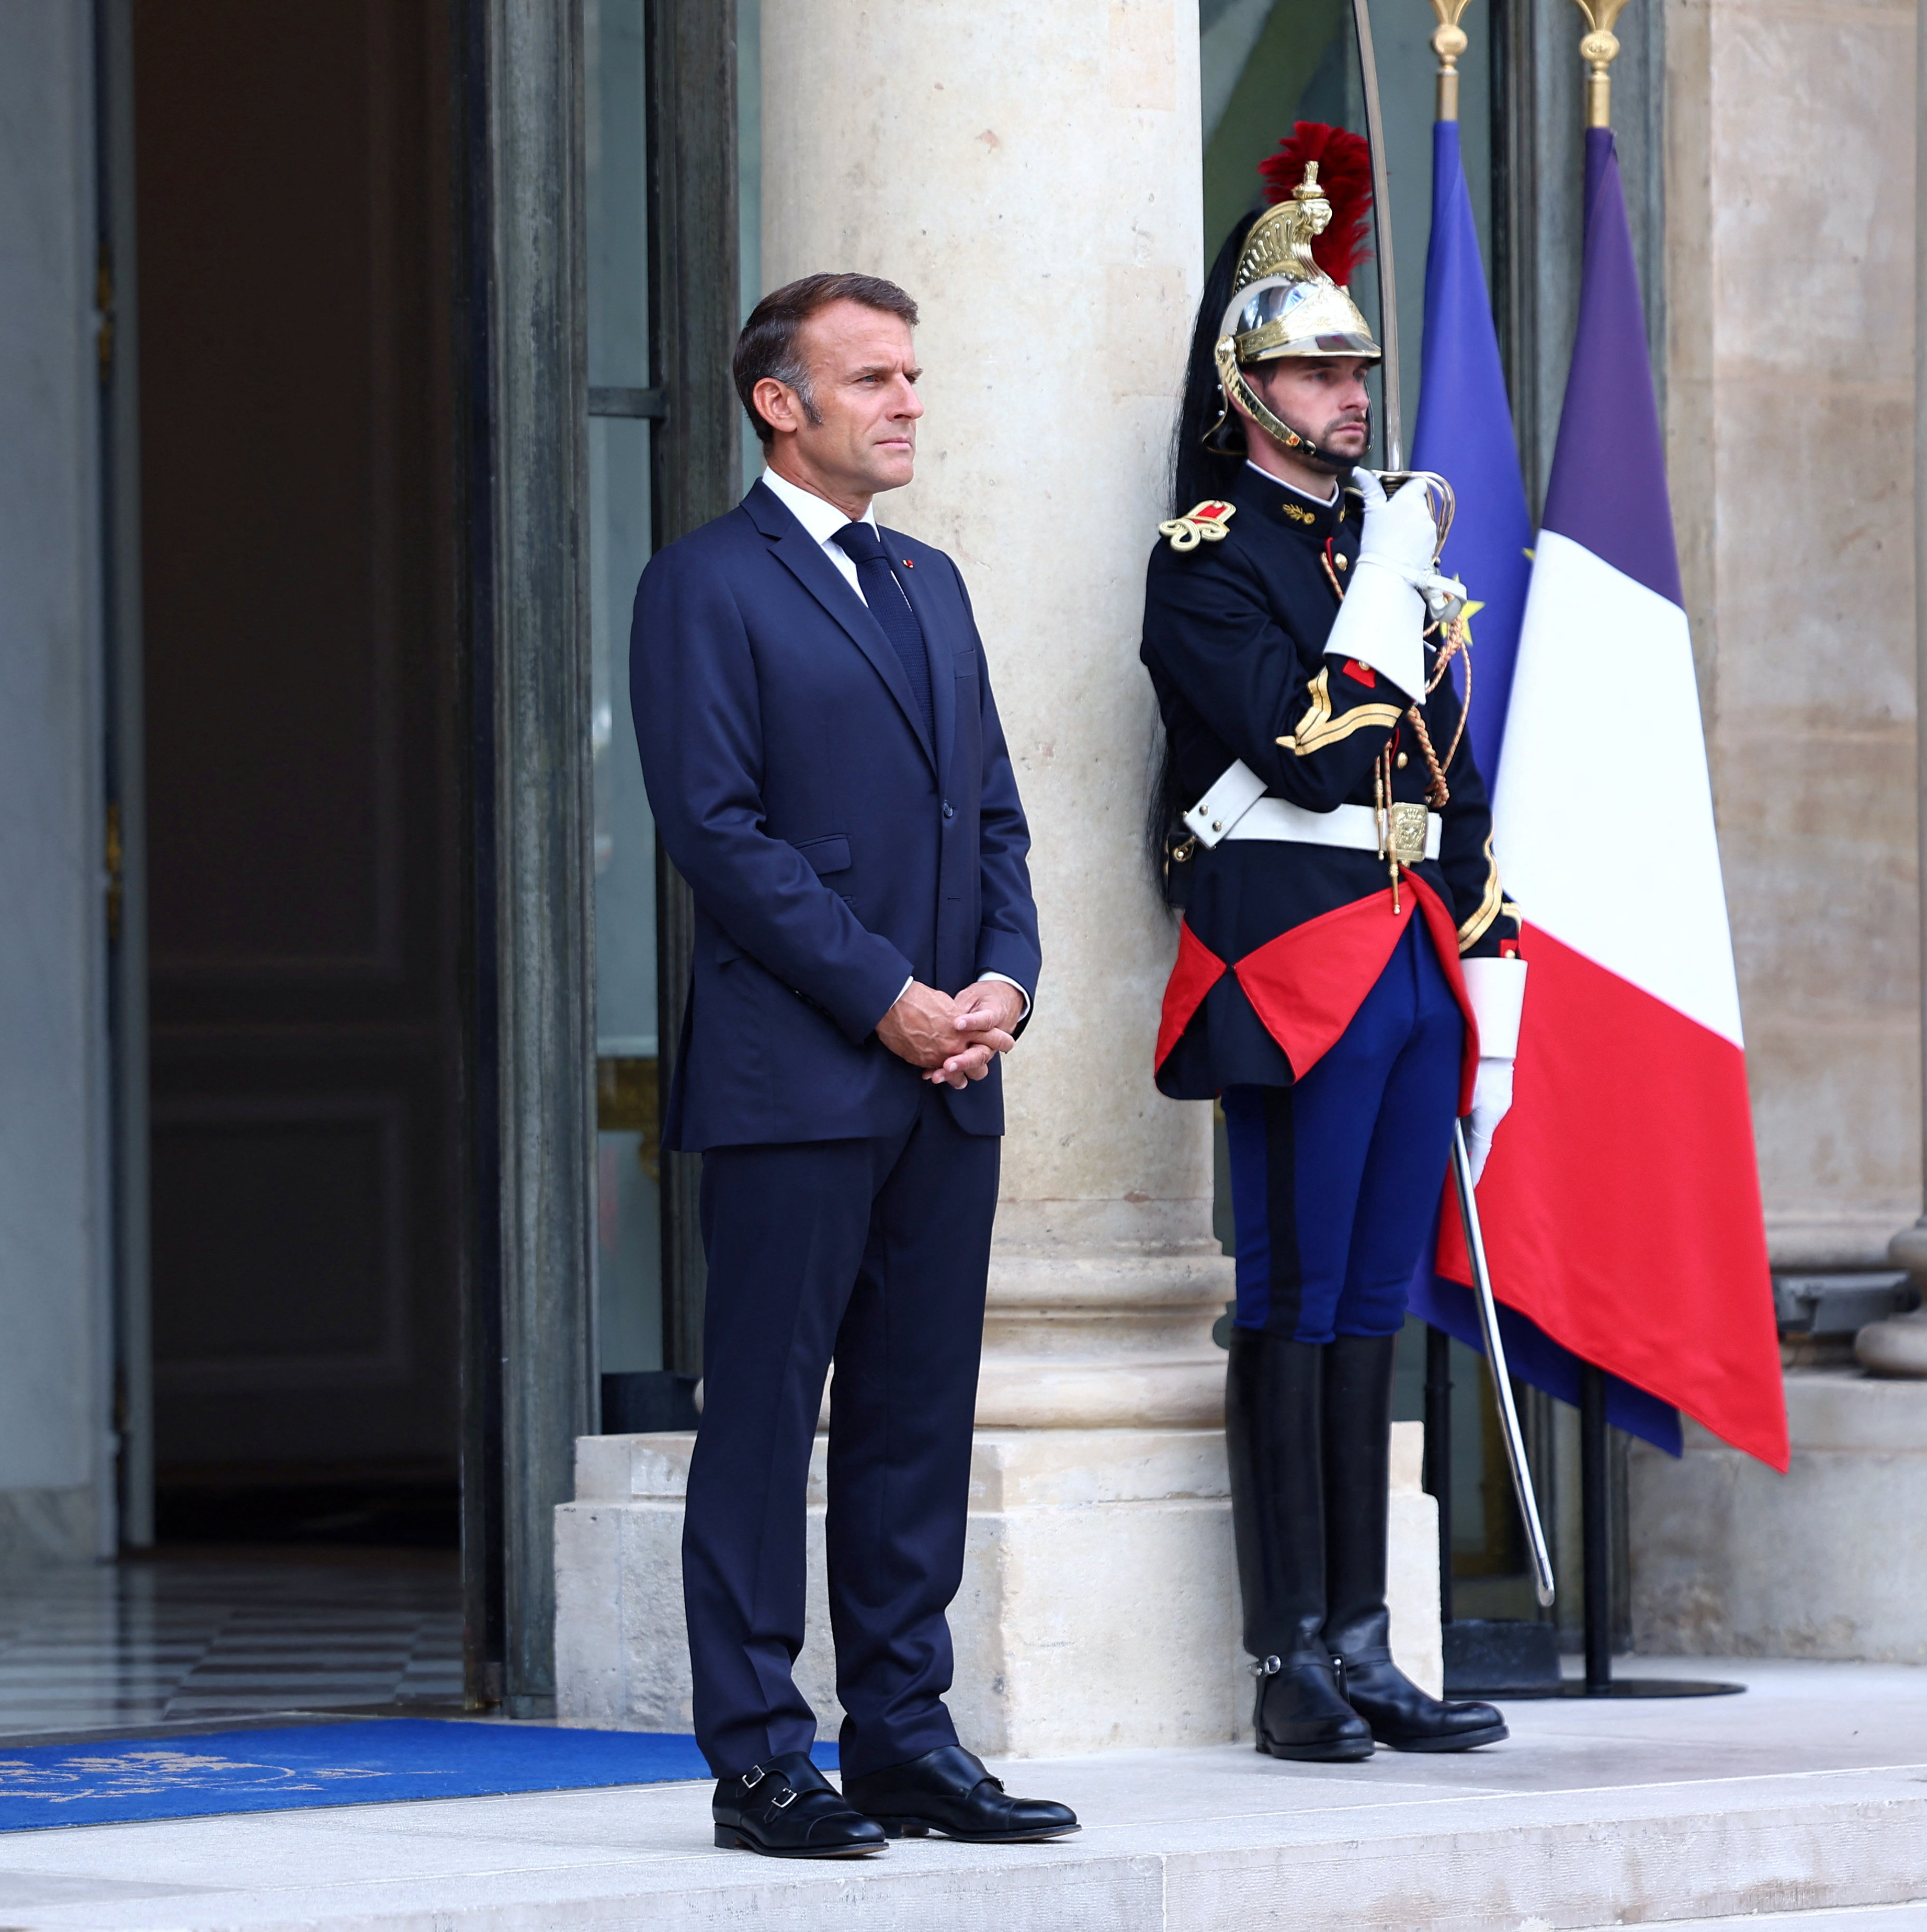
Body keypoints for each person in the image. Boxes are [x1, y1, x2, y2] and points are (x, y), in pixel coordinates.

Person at [629, 272, 1071, 1858]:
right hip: (797, 1078)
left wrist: (1005, 982)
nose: (908, 403)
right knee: (764, 1422)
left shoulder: (934, 583)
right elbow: (720, 837)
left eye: (913, 374)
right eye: (873, 377)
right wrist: (890, 996)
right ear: (780, 402)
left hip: (952, 1077)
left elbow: (999, 818)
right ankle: (758, 1757)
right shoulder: (705, 585)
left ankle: (904, 1737)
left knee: (913, 1419)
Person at [1141, 126, 1525, 1763]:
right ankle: (1285, 1653)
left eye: (1358, 369)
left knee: (1376, 1301)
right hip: (1288, 956)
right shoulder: (1212, 562)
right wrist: (1389, 576)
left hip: (1406, 957)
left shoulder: (1383, 551)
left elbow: (1449, 776)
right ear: (1248, 394)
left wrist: (1490, 951)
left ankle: (1368, 1640)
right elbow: (1302, 746)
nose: (1352, 396)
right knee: (1291, 1300)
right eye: (1314, 375)